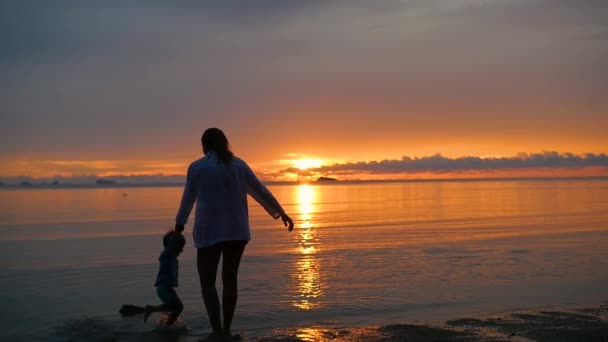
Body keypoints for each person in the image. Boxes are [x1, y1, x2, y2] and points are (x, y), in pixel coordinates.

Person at [175, 127, 294, 339]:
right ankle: (227, 330)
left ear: (205, 145)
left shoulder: (197, 167)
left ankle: (216, 331)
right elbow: (260, 190)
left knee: (208, 282)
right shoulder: (238, 165)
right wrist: (280, 212)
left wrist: (179, 225)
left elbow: (188, 198)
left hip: (209, 232)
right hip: (236, 232)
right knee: (230, 281)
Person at [143, 230, 186, 325]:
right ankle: (153, 311)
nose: (181, 250)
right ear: (173, 246)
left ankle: (167, 324)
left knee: (177, 308)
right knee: (177, 307)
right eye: (180, 248)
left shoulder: (172, 257)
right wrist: (177, 234)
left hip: (166, 287)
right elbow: (170, 247)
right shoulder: (167, 255)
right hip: (164, 288)